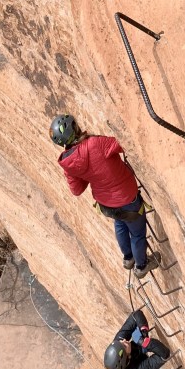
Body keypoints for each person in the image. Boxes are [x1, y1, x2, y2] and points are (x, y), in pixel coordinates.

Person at [50, 113, 160, 277]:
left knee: (120, 224)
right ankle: (141, 266)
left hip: (107, 204)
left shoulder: (68, 163)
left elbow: (77, 190)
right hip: (127, 198)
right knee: (137, 234)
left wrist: (88, 174)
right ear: (74, 129)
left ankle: (128, 259)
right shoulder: (94, 143)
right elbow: (123, 144)